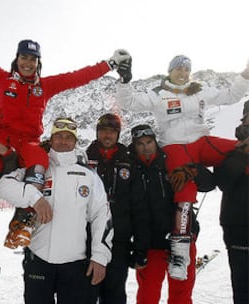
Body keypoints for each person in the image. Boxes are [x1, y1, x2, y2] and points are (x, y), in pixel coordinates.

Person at [0, 11, 128, 255]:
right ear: (16, 59)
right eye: (24, 57)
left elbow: (77, 77)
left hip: (29, 142)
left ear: (38, 62)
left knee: (39, 159)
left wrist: (109, 64)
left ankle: (22, 221)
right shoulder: (1, 79)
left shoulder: (45, 87)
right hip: (3, 137)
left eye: (33, 59)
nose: (28, 63)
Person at [114, 52, 249, 281]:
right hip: (175, 145)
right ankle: (179, 251)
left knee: (241, 148)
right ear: (170, 71)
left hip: (201, 141)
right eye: (178, 69)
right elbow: (129, 103)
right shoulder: (159, 93)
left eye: (186, 69)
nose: (183, 73)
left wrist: (245, 74)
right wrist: (125, 81)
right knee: (184, 188)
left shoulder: (200, 89)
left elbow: (231, 95)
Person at [0, 117, 113, 304]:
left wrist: (100, 257)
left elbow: (101, 216)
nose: (64, 141)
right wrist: (35, 198)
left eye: (69, 137)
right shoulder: (37, 168)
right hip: (39, 260)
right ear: (51, 139)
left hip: (75, 263)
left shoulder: (88, 175)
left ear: (75, 141)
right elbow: (3, 186)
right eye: (59, 136)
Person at [129, 124, 202, 304]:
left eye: (149, 142)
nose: (146, 147)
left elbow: (208, 182)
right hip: (151, 245)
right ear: (134, 146)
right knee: (148, 295)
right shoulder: (131, 170)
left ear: (155, 142)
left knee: (181, 294)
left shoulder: (170, 161)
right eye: (140, 144)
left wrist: (193, 171)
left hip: (182, 240)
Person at [85, 113, 148, 304]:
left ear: (118, 134)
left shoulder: (129, 162)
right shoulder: (83, 159)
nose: (107, 135)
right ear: (97, 133)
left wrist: (140, 249)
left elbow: (140, 208)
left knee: (114, 296)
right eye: (103, 130)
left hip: (118, 243)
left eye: (112, 131)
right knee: (85, 295)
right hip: (86, 241)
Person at [215, 100, 249, 304]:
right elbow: (223, 182)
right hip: (238, 227)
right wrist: (241, 154)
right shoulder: (230, 150)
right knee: (243, 288)